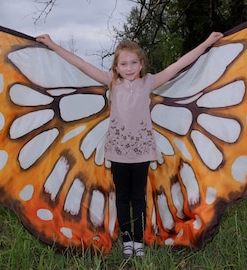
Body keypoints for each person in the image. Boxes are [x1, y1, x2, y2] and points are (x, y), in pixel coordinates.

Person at [36, 31, 223, 258]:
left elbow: (178, 65)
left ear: (141, 64)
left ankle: (138, 239)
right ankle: (126, 239)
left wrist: (207, 41)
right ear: (116, 67)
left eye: (133, 62)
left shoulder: (149, 82)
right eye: (123, 63)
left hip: (142, 152)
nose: (129, 67)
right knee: (122, 197)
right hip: (117, 152)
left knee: (138, 197)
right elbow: (81, 64)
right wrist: (52, 44)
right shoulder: (111, 82)